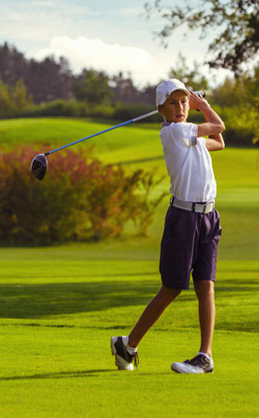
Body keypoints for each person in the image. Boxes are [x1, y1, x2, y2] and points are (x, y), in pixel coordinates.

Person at [111, 79, 225, 373]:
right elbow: (219, 126)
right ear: (160, 108)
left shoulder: (191, 138)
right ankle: (129, 346)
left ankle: (205, 356)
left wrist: (197, 106)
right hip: (184, 218)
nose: (181, 108)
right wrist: (203, 106)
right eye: (173, 103)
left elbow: (219, 143)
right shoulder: (174, 132)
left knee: (206, 286)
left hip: (209, 217)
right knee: (172, 288)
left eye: (184, 102)